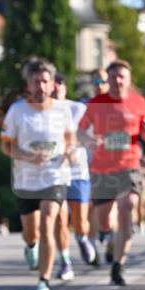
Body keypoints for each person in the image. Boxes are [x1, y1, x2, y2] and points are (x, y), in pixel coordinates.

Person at [1, 58, 75, 290]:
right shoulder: (17, 111)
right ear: (29, 85)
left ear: (52, 83)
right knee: (31, 233)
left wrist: (69, 152)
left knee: (47, 223)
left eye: (45, 81)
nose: (41, 86)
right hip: (26, 180)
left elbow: (71, 139)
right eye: (36, 82)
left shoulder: (63, 110)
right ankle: (30, 246)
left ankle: (43, 283)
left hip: (54, 177)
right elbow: (5, 144)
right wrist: (27, 156)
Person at [79, 60, 145, 286]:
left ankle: (118, 265)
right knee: (103, 220)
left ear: (129, 79)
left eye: (122, 76)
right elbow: (80, 131)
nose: (117, 81)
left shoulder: (138, 102)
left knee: (127, 206)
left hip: (129, 166)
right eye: (113, 77)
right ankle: (109, 235)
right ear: (107, 80)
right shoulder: (96, 103)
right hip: (102, 169)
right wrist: (90, 140)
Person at [53, 74, 96, 267]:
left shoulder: (78, 109)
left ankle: (82, 237)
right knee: (60, 219)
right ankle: (65, 260)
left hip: (77, 170)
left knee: (79, 219)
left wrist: (72, 144)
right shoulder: (41, 112)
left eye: (59, 86)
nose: (55, 90)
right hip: (55, 172)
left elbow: (88, 136)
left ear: (65, 88)